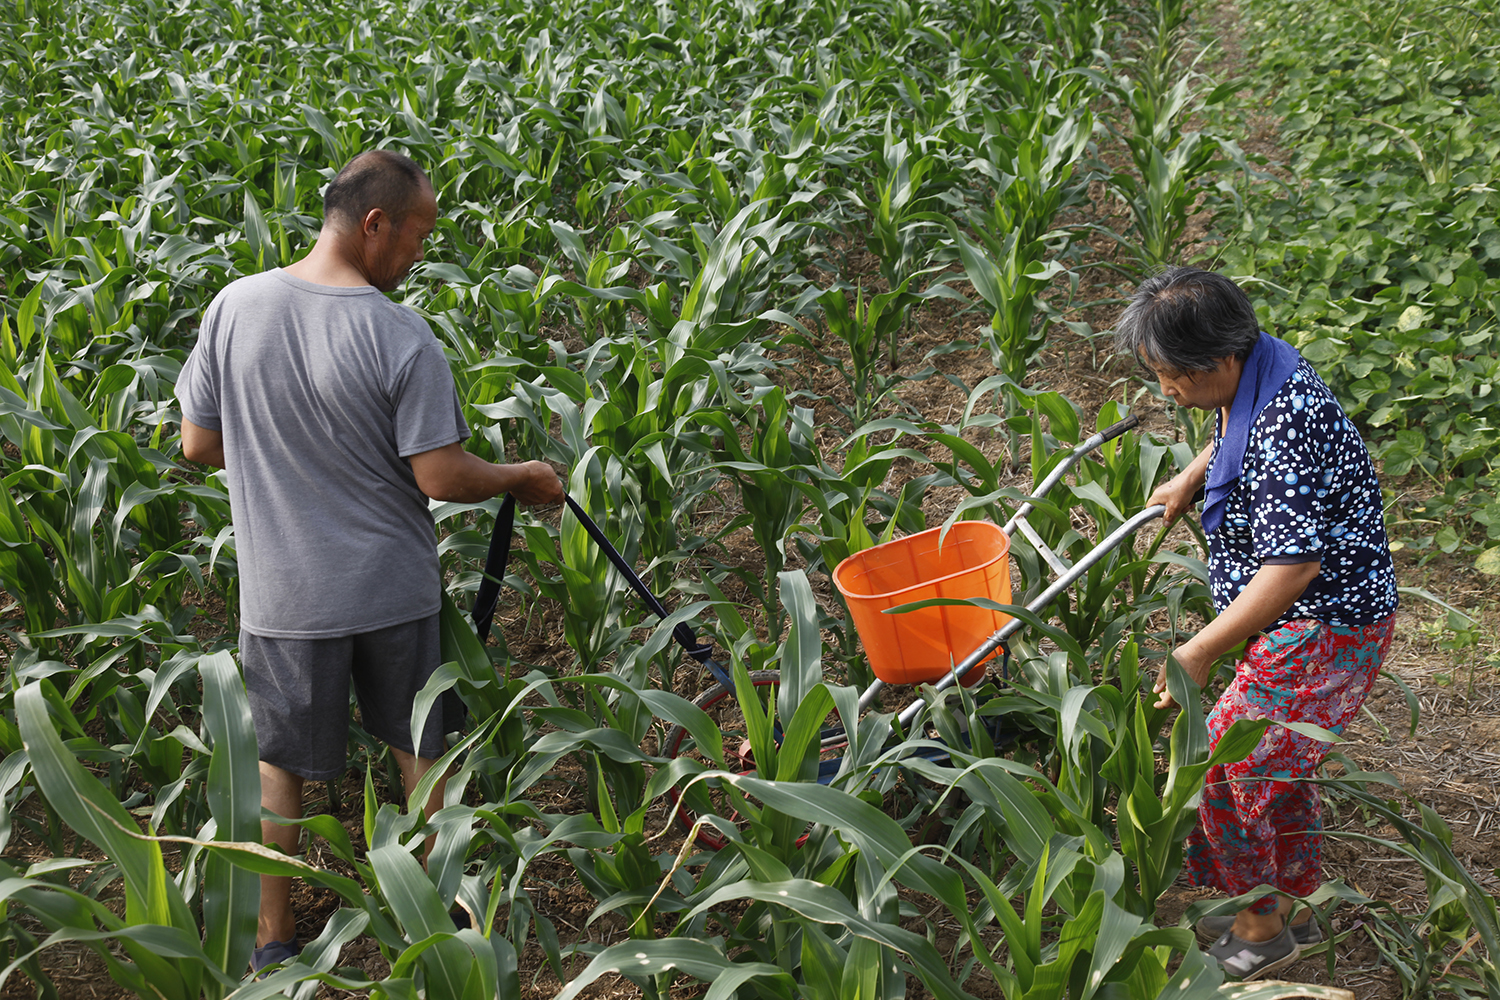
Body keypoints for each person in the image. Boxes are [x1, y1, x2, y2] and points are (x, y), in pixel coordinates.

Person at [176, 149, 564, 974]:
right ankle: (437, 930)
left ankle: (270, 945)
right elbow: (442, 475)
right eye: (418, 236)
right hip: (391, 589)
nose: (419, 254)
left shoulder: (235, 306)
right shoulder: (399, 334)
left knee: (279, 773)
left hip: (286, 596)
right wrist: (521, 479)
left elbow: (198, 443)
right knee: (420, 755)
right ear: (375, 223)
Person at [1115, 267, 1398, 982]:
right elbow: (1235, 427)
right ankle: (1293, 898)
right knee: (1277, 765)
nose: (1165, 391)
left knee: (1224, 761)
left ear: (1217, 358)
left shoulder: (1281, 428)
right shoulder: (1264, 366)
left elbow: (1292, 568)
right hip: (1309, 620)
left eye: (1169, 375)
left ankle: (1262, 927)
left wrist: (1200, 650)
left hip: (1323, 624)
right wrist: (1194, 473)